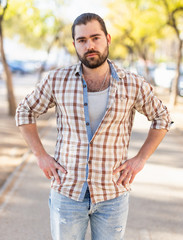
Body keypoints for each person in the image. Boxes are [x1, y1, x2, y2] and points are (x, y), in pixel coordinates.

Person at [15, 12, 172, 240]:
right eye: (82, 40)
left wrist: (141, 159)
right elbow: (25, 110)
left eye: (95, 38)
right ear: (74, 44)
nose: (90, 45)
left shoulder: (132, 83)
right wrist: (40, 155)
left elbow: (162, 117)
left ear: (108, 39)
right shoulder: (57, 80)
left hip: (112, 194)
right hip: (68, 192)